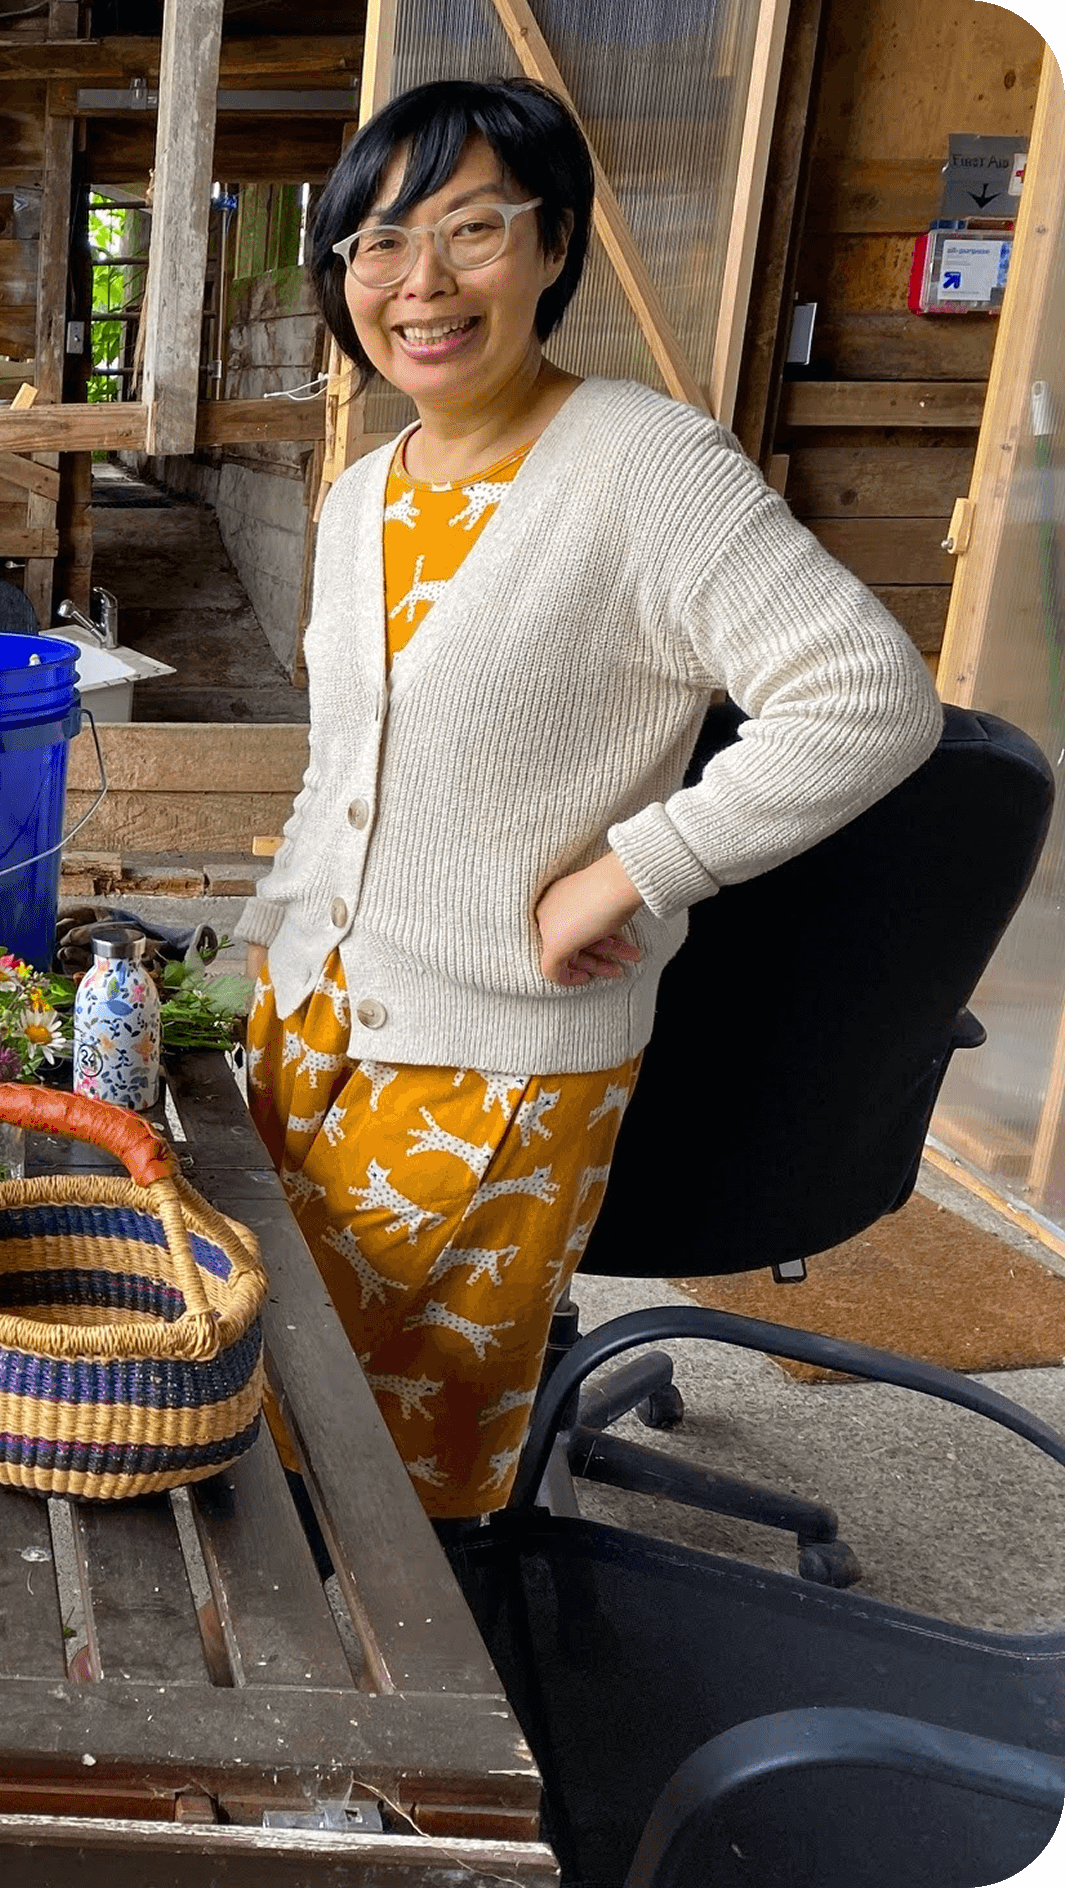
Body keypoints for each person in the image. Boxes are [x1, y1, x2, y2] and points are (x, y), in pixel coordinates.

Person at [234, 79, 941, 1524]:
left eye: (471, 230)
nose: (419, 283)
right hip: (306, 1030)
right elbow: (345, 769)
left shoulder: (645, 465)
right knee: (256, 1398)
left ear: (554, 245)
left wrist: (634, 869)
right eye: (376, 244)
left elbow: (868, 696)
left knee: (388, 1486)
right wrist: (260, 949)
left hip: (490, 1059)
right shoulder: (364, 491)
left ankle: (410, 1728)